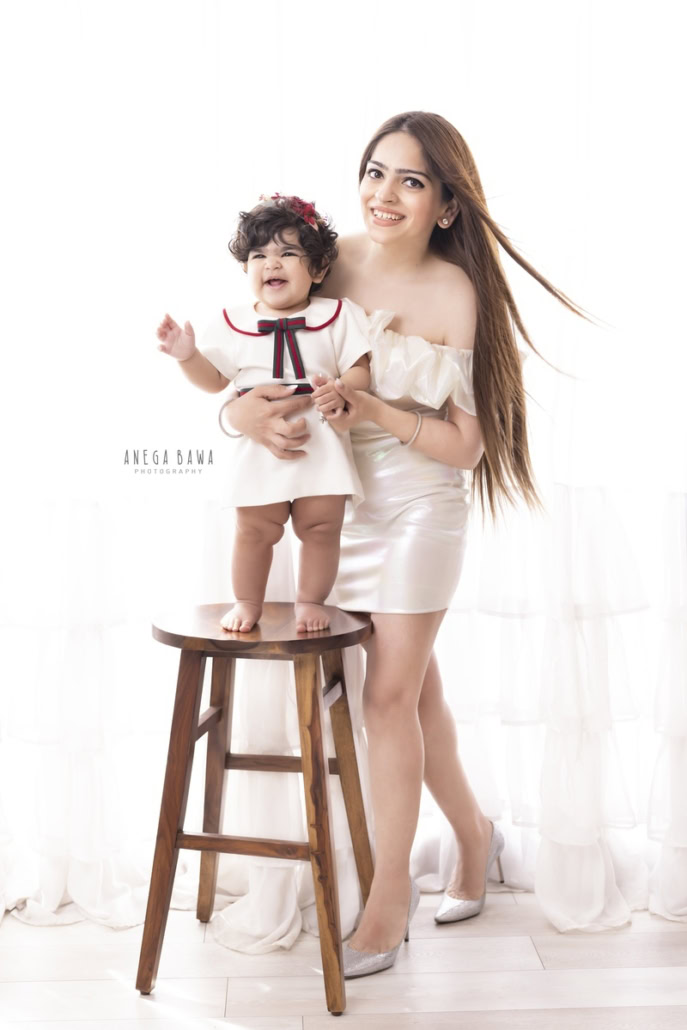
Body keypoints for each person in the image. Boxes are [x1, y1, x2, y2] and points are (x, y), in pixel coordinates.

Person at [222, 111, 589, 978]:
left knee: (385, 700)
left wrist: (374, 409)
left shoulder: (454, 292)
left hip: (420, 509)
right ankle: (474, 834)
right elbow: (242, 367)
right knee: (415, 697)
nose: (384, 194)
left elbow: (465, 448)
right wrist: (239, 416)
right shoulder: (325, 260)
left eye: (411, 181)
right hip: (330, 510)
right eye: (375, 172)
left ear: (447, 206)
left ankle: (389, 900)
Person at [156, 194, 372, 633]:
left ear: (318, 270)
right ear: (245, 268)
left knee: (321, 529)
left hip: (321, 442)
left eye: (288, 253)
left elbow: (360, 367)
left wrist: (343, 388)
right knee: (253, 531)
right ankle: (247, 601)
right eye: (259, 255)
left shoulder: (336, 315)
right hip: (260, 450)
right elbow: (215, 380)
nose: (272, 263)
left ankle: (310, 601)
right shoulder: (232, 322)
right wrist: (187, 356)